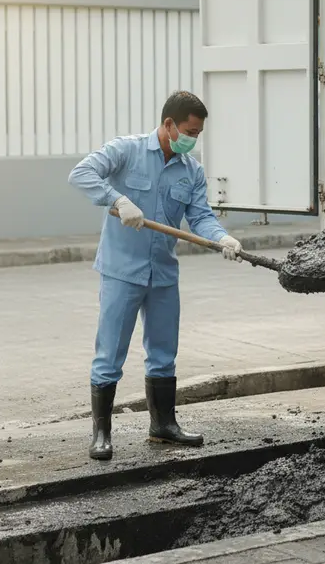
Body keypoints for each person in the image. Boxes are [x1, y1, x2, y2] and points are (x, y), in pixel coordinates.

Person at [69, 90, 243, 460]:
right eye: (189, 131)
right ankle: (101, 433)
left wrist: (222, 237)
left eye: (198, 134)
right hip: (121, 271)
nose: (193, 139)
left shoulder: (190, 169)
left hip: (163, 272)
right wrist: (116, 199)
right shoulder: (126, 151)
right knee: (110, 353)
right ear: (168, 124)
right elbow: (80, 173)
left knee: (164, 352)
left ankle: (163, 425)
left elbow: (200, 217)